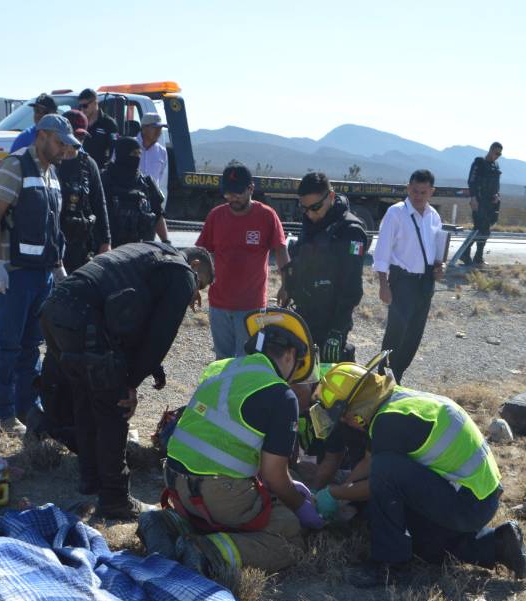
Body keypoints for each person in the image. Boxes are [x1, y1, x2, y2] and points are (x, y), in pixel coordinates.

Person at [307, 356, 526, 587]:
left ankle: (389, 564)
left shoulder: (388, 422)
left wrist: (334, 494)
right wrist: (343, 486)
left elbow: (377, 479)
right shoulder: (392, 403)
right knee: (422, 543)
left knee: (386, 473)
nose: (346, 423)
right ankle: (498, 544)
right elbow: (369, 461)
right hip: (477, 494)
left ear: (354, 408)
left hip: (470, 503)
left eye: (344, 416)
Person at [138, 308, 326, 577]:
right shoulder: (281, 394)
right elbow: (274, 476)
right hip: (218, 494)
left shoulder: (220, 369)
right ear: (289, 355)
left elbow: (227, 436)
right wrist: (300, 506)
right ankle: (208, 552)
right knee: (289, 533)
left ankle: (167, 523)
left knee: (255, 505)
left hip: (176, 483)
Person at [39, 243, 214, 519]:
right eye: (200, 284)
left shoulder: (148, 253)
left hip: (56, 308)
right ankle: (115, 499)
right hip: (84, 314)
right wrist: (129, 383)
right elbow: (160, 335)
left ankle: (91, 477)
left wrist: (150, 366)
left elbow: (132, 314)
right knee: (114, 407)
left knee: (85, 396)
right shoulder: (181, 272)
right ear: (194, 266)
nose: (195, 294)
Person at [0, 114, 79, 435]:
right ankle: (3, 412)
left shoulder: (52, 174)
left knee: (32, 345)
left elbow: (52, 227)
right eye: (59, 142)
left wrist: (58, 266)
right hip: (16, 273)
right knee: (8, 345)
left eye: (67, 144)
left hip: (43, 276)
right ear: (41, 136)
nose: (64, 149)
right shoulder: (14, 167)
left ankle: (28, 407)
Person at [197, 163, 289, 360]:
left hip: (252, 306)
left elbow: (281, 250)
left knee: (249, 360)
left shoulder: (266, 216)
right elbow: (200, 254)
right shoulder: (216, 216)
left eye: (238, 193)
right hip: (219, 304)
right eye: (228, 193)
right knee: (222, 361)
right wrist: (193, 283)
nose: (232, 198)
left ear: (251, 189)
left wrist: (286, 283)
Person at [278, 172, 367, 362]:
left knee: (328, 381)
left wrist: (337, 331)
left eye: (316, 207)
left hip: (331, 321)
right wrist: (286, 286)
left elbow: (351, 288)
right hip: (305, 314)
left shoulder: (350, 232)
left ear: (331, 196)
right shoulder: (311, 222)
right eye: (305, 208)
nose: (310, 213)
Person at [374, 169, 443, 381]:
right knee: (396, 332)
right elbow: (382, 251)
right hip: (402, 281)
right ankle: (382, 377)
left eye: (423, 192)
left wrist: (440, 267)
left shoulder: (434, 217)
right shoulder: (396, 213)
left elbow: (436, 251)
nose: (418, 196)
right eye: (414, 191)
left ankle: (398, 377)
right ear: (408, 188)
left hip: (425, 284)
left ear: (431, 191)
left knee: (414, 334)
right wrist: (383, 284)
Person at [56, 109, 111, 271]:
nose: (78, 141)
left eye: (81, 137)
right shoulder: (50, 163)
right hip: (53, 243)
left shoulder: (89, 165)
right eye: (75, 136)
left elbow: (99, 204)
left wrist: (105, 241)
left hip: (81, 245)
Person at [102, 137, 170, 248]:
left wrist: (166, 242)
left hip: (141, 251)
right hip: (112, 249)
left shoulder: (146, 183)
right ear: (123, 153)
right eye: (133, 153)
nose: (137, 157)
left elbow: (158, 215)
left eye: (139, 153)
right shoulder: (105, 180)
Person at [464, 142, 503, 266]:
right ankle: (464, 253)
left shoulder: (495, 165)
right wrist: (473, 198)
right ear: (490, 150)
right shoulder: (479, 162)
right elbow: (472, 181)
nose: (497, 156)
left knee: (485, 230)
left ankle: (478, 257)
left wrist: (497, 196)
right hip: (479, 200)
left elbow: (496, 184)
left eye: (499, 154)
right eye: (496, 153)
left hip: (491, 202)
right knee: (478, 228)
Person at [77, 88, 118, 170]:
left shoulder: (108, 123)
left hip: (100, 172)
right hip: (80, 171)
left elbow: (114, 151)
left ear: (95, 102)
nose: (82, 109)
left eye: (85, 106)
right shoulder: (78, 122)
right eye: (80, 106)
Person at [138, 112, 169, 200]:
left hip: (152, 202)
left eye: (160, 128)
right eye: (155, 128)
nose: (159, 132)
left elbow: (160, 179)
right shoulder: (128, 146)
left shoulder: (162, 152)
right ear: (144, 128)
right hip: (130, 200)